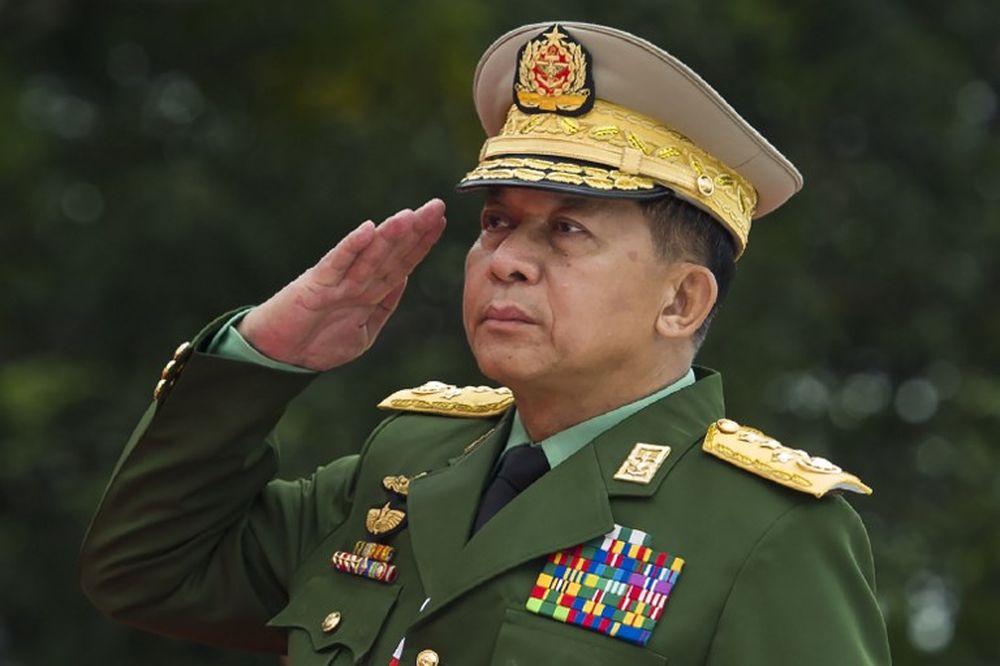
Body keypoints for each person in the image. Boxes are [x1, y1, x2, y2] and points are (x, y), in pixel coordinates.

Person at [80, 21, 891, 665]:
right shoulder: (408, 461)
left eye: (567, 231)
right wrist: (261, 359)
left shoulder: (769, 531)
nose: (506, 262)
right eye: (497, 223)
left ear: (681, 300)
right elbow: (146, 570)